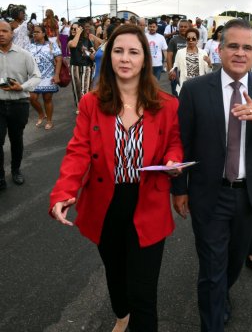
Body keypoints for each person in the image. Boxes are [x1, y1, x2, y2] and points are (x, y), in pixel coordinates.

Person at [49, 24, 183, 332]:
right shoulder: (91, 103)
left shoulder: (167, 105)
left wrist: (173, 158)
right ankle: (122, 313)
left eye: (133, 52)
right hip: (106, 203)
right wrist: (63, 193)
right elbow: (78, 153)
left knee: (144, 293)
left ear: (144, 59)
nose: (125, 58)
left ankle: (135, 317)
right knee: (116, 272)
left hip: (148, 202)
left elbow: (174, 140)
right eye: (118, 51)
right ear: (108, 57)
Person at [171, 19, 252, 331]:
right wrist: (179, 188)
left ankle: (222, 293)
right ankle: (212, 317)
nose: (240, 53)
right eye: (233, 46)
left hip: (250, 195)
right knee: (212, 269)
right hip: (209, 195)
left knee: (234, 261)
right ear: (220, 49)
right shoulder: (195, 89)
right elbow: (181, 142)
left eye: (247, 47)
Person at [0, 21, 41, 189]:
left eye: (4, 31)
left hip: (19, 104)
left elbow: (36, 76)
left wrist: (22, 87)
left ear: (12, 33)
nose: (1, 34)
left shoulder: (24, 55)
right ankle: (0, 177)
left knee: (16, 140)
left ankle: (16, 170)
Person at [28, 24, 62, 130]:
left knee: (47, 99)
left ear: (43, 33)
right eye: (34, 32)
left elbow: (59, 59)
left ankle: (49, 121)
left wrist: (56, 75)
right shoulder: (30, 46)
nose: (35, 34)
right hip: (34, 76)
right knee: (31, 98)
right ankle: (41, 114)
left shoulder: (51, 45)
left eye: (37, 32)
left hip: (49, 76)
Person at [170, 27, 211, 94]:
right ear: (186, 39)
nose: (191, 40)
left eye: (193, 38)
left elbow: (208, 72)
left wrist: (209, 63)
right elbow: (176, 67)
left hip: (199, 86)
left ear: (197, 40)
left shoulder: (203, 53)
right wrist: (173, 71)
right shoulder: (180, 52)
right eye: (188, 38)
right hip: (185, 85)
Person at [67, 21, 95, 112]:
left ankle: (84, 108)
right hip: (74, 66)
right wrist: (78, 32)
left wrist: (90, 53)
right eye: (72, 28)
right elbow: (74, 44)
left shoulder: (87, 40)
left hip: (86, 66)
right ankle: (79, 106)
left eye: (75, 28)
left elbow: (92, 52)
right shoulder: (70, 39)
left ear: (80, 28)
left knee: (84, 89)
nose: (73, 30)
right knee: (76, 88)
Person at [166, 19, 189, 96]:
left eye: (185, 27)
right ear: (178, 28)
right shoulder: (173, 40)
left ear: (189, 28)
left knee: (188, 95)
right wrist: (170, 71)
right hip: (176, 72)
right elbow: (169, 56)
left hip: (189, 71)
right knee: (176, 95)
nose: (183, 28)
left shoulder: (192, 40)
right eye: (181, 26)